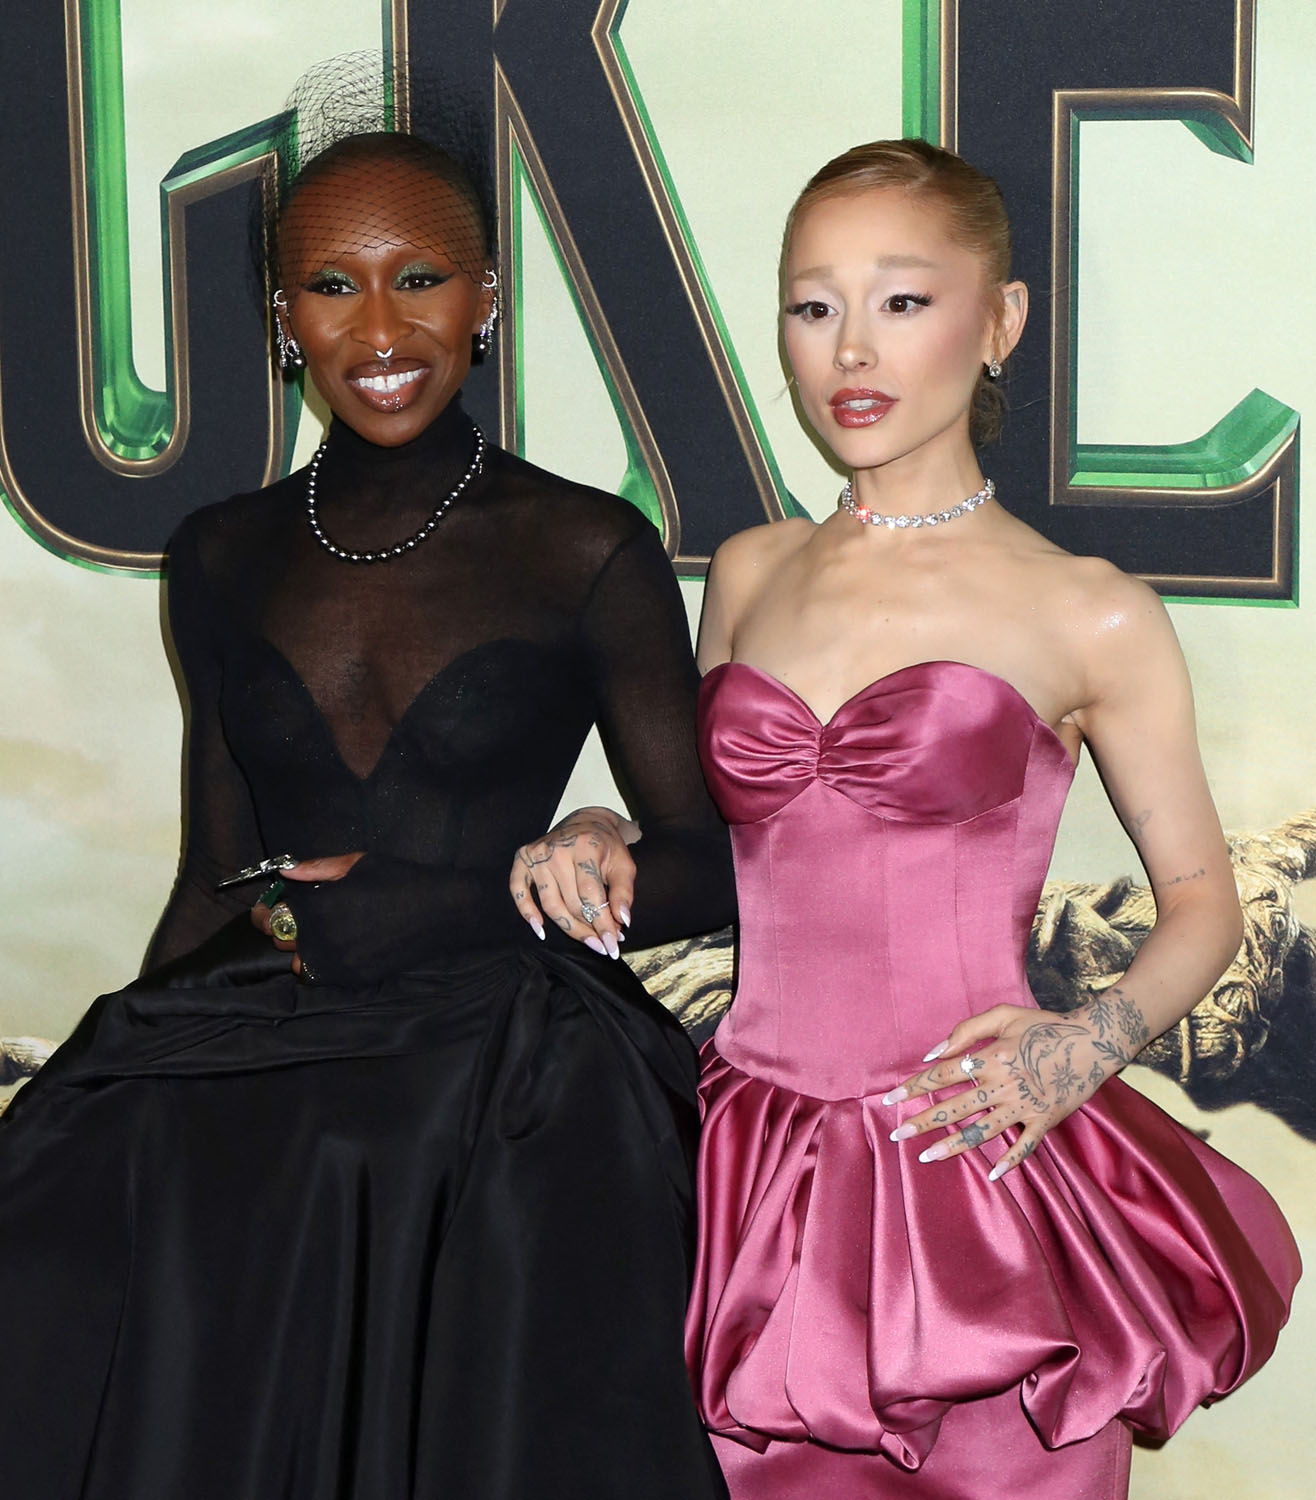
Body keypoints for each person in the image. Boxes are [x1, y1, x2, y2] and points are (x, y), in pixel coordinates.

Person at [0, 119, 734, 1499]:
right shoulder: (219, 553)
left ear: (488, 297)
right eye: (333, 285)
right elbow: (217, 875)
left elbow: (712, 866)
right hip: (275, 1034)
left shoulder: (584, 546)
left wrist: (473, 900)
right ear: (283, 317)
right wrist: (121, 1058)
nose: (381, 328)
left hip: (504, 1078)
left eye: (423, 278)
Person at [679, 139, 1300, 1498]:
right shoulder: (748, 572)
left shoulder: (1089, 608)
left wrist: (1086, 1048)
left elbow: (1204, 903)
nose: (852, 349)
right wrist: (603, 832)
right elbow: (722, 854)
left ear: (1000, 319)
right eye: (812, 305)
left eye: (903, 300)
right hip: (756, 1180)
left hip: (977, 1175)